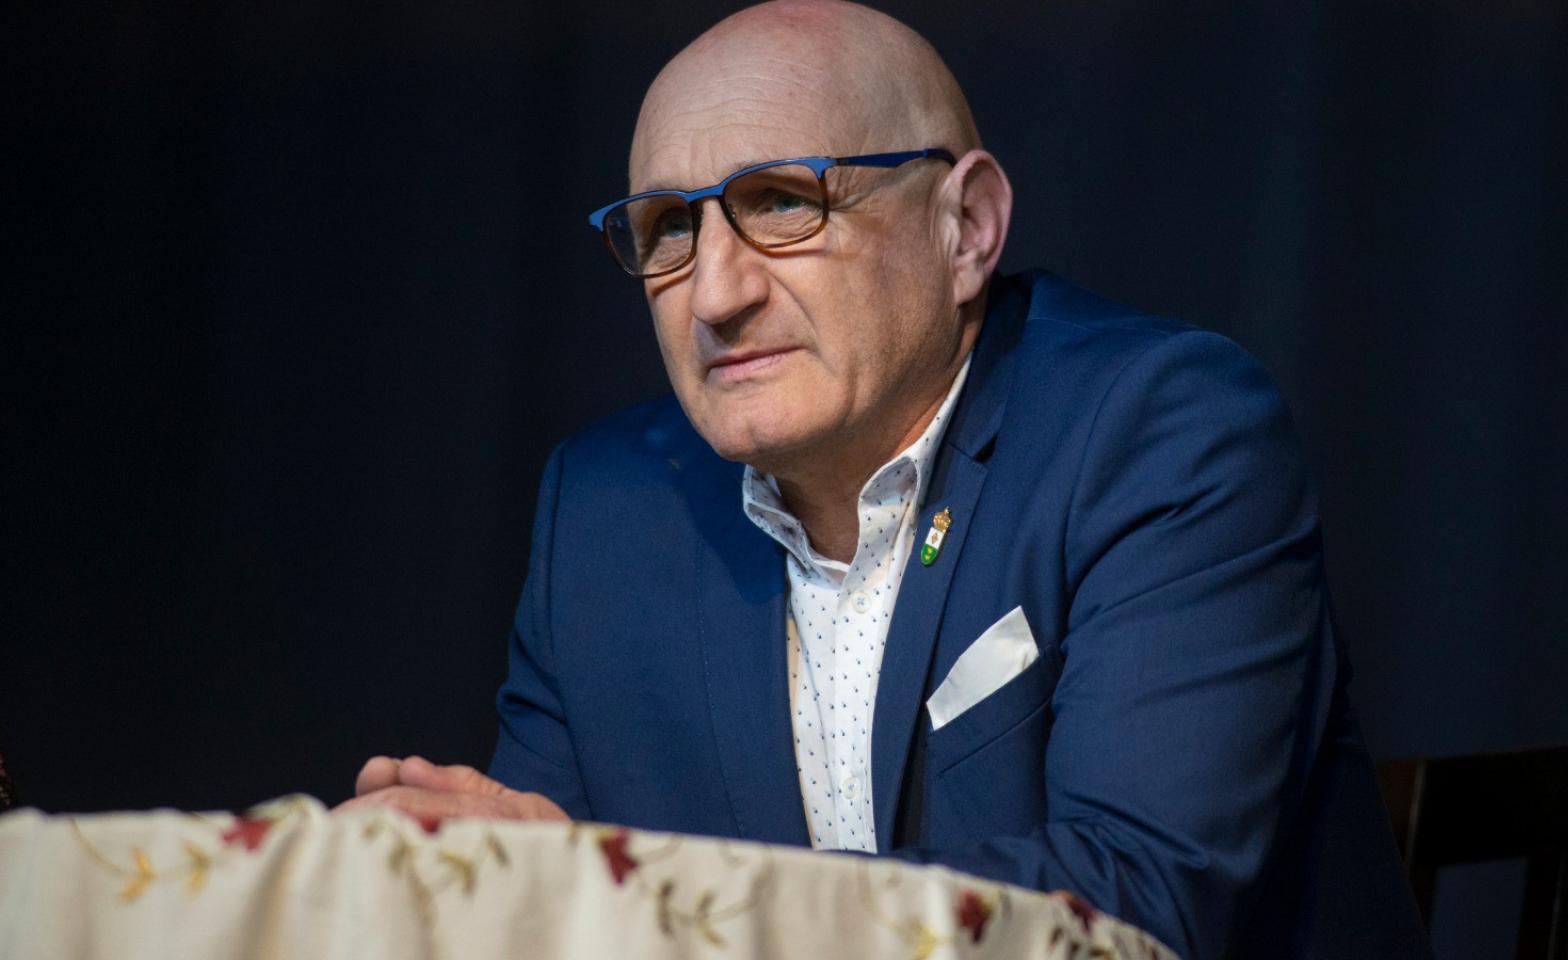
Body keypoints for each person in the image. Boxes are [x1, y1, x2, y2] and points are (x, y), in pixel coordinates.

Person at [339, 2, 1431, 955]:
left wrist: (632, 896)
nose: (715, 295)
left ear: (966, 230)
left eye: (782, 203)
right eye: (669, 228)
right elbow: (539, 901)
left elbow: (1133, 909)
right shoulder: (605, 512)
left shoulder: (1159, 431)